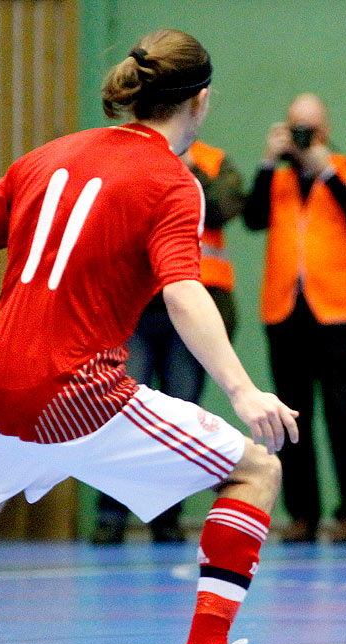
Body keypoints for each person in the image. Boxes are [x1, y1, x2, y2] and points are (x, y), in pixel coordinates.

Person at [0, 30, 298, 644]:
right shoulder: (171, 180)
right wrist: (243, 391)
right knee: (255, 467)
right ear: (201, 100)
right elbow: (184, 292)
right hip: (75, 391)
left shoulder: (48, 156)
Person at [92, 140, 246, 545]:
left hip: (194, 305)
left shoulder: (213, 161)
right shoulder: (129, 160)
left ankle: (166, 517)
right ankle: (111, 517)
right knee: (120, 413)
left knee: (179, 416)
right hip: (136, 308)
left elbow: (221, 209)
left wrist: (188, 169)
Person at [244, 94, 346, 543]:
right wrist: (265, 162)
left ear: (326, 130)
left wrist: (327, 170)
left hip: (334, 311)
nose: (303, 138)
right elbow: (254, 219)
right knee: (292, 419)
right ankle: (302, 516)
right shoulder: (276, 179)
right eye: (295, 128)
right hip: (285, 310)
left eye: (311, 130)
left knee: (342, 415)